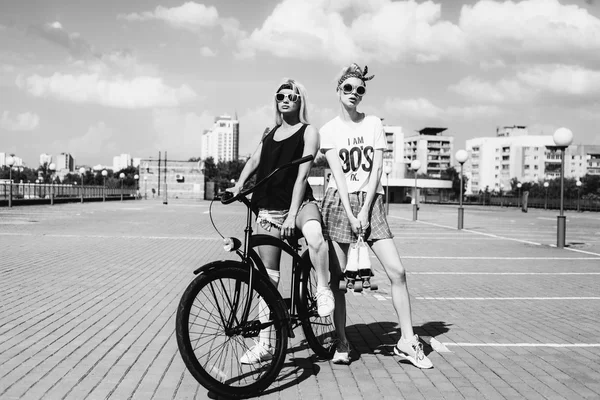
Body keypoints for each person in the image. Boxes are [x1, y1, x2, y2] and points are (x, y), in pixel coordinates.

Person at [319, 63, 433, 369]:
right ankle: (342, 341)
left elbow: (377, 169)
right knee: (338, 281)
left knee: (397, 271)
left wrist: (366, 211)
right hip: (338, 203)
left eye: (360, 89)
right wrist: (350, 211)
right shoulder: (328, 130)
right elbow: (339, 176)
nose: (354, 94)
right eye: (348, 88)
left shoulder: (373, 124)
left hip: (373, 202)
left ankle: (407, 341)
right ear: (338, 90)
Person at [228, 78, 335, 364]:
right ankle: (265, 345)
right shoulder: (270, 132)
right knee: (267, 278)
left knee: (315, 236)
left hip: (299, 205)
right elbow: (253, 161)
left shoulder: (308, 131)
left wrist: (291, 213)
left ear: (301, 101)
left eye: (292, 95)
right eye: (281, 96)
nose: (285, 99)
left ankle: (323, 289)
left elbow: (301, 175)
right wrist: (239, 185)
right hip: (269, 209)